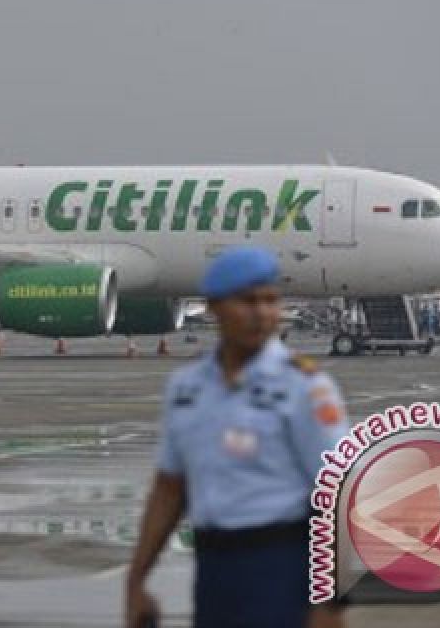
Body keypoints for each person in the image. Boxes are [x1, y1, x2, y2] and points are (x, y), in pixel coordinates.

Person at [125, 245, 349, 628]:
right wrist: (137, 581)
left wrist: (330, 602)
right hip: (213, 570)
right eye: (247, 302)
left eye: (270, 301)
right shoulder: (187, 388)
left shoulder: (304, 387)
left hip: (281, 566)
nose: (262, 314)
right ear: (214, 307)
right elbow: (169, 490)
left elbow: (335, 495)